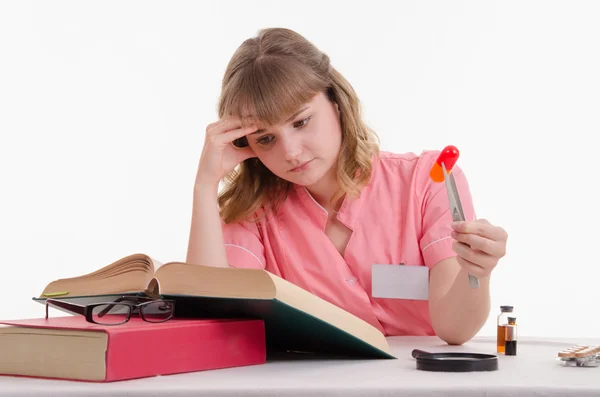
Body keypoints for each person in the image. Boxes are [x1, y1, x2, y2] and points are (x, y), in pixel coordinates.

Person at [186, 27, 508, 345]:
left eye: (301, 122)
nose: (291, 152)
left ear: (335, 102)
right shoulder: (254, 211)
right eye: (266, 139)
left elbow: (454, 331)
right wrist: (204, 185)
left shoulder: (428, 181)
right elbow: (214, 322)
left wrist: (477, 271)